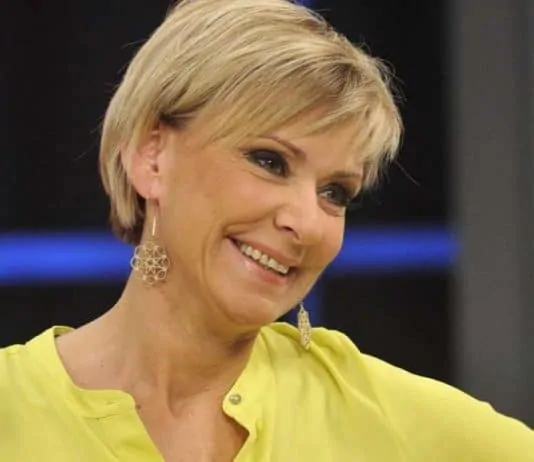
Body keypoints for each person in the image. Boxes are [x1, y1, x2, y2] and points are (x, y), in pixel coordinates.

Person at [1, 0, 533, 460]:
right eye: (270, 161)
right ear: (151, 156)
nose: (305, 223)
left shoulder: (385, 417)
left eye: (335, 193)